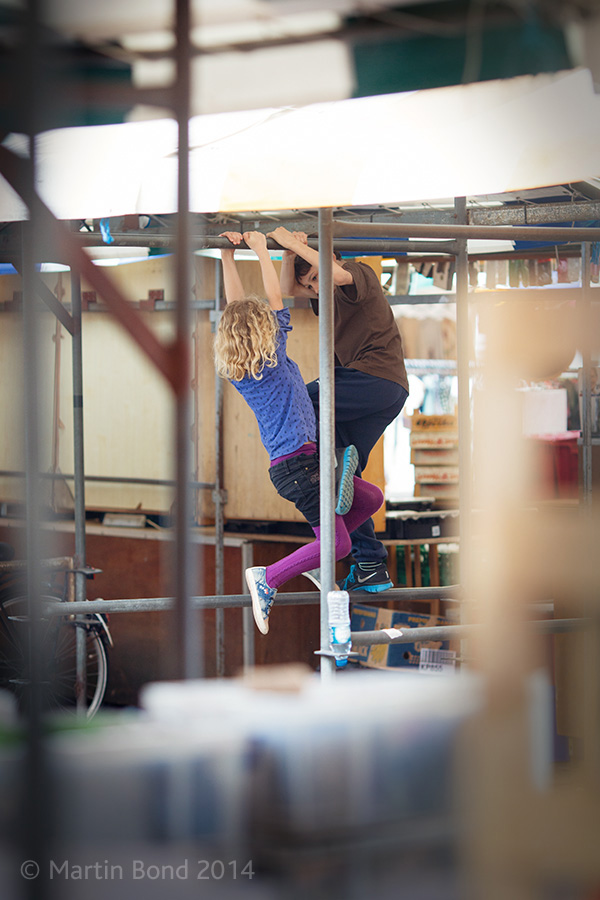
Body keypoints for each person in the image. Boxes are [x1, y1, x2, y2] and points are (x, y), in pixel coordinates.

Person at [214, 230, 384, 634]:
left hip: (299, 463)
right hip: (299, 467)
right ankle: (268, 578)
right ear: (263, 334)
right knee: (340, 545)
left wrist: (226, 257)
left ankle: (318, 561)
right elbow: (275, 299)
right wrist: (260, 251)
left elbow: (235, 307)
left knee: (371, 497)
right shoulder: (272, 358)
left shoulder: (244, 371)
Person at [267, 226, 409, 594]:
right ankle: (370, 563)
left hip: (375, 378)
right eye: (311, 285)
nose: (315, 288)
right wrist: (288, 253)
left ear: (330, 259)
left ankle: (329, 465)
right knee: (348, 478)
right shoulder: (322, 294)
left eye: (316, 278)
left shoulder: (358, 275)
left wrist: (297, 244)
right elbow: (288, 288)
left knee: (301, 402)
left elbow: (331, 274)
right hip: (381, 393)